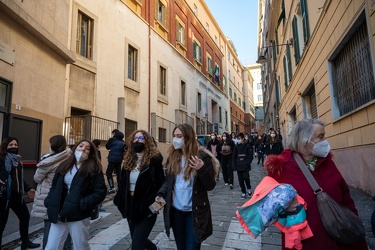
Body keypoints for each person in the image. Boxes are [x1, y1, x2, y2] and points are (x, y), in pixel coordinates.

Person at [264, 119, 367, 249]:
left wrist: (356, 232)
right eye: (320, 136)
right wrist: (284, 208)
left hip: (340, 238)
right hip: (307, 243)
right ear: (304, 140)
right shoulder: (282, 168)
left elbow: (346, 199)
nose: (325, 140)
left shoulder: (327, 163)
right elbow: (267, 208)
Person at [156, 124, 218, 250]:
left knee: (192, 247)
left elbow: (210, 185)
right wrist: (161, 195)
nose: (175, 139)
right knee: (181, 247)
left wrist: (201, 169)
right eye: (174, 136)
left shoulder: (202, 157)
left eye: (179, 136)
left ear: (188, 138)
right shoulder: (173, 157)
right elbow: (168, 182)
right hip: (176, 212)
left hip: (194, 212)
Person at [44, 139, 107, 250]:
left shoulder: (93, 169)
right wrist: (49, 201)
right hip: (59, 213)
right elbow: (54, 187)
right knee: (51, 247)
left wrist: (82, 203)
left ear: (90, 153)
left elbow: (100, 192)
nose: (83, 149)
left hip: (78, 215)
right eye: (81, 146)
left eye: (87, 148)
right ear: (75, 148)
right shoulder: (64, 165)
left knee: (80, 246)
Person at [113, 130, 165, 250]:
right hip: (130, 206)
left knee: (136, 246)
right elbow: (122, 185)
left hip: (147, 207)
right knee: (137, 239)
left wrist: (156, 208)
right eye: (135, 138)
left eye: (140, 138)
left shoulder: (155, 161)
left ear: (147, 141)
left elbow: (162, 185)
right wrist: (119, 201)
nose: (137, 140)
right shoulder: (128, 161)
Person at [31, 135, 72, 249]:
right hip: (66, 197)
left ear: (53, 145)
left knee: (49, 229)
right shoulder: (70, 157)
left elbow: (37, 178)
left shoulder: (48, 161)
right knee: (65, 228)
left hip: (49, 197)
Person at [0, 137, 40, 249]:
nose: (14, 146)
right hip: (4, 196)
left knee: (25, 217)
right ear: (5, 146)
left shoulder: (17, 160)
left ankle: (25, 242)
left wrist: (28, 189)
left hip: (17, 195)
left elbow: (19, 178)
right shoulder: (1, 159)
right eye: (11, 145)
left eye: (15, 145)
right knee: (1, 223)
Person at [232, 133, 253, 199]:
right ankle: (243, 192)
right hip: (239, 165)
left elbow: (250, 156)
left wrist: (247, 163)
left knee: (246, 177)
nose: (238, 140)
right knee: (240, 180)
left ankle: (249, 188)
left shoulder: (247, 146)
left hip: (245, 165)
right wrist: (234, 166)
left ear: (243, 138)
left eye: (239, 138)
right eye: (238, 139)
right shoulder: (236, 147)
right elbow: (234, 157)